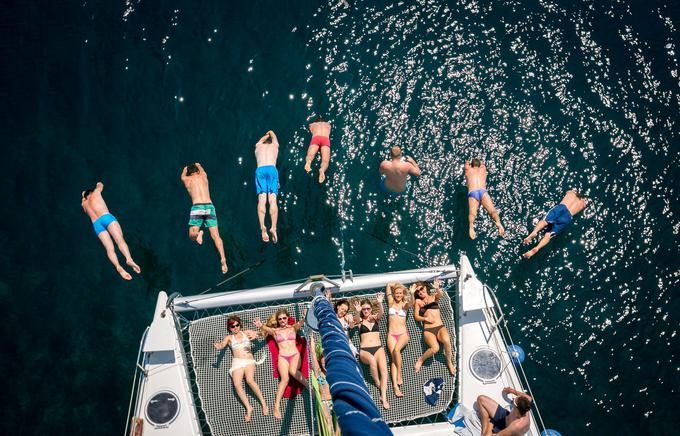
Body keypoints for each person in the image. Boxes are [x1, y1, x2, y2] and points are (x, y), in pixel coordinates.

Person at [254, 309, 308, 419]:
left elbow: (301, 323)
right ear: (278, 321)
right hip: (283, 356)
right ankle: (276, 405)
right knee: (284, 379)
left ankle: (310, 389)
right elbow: (264, 328)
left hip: (294, 355)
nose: (282, 320)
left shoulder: (293, 328)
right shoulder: (275, 331)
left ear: (288, 318)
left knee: (293, 371)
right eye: (280, 319)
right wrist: (260, 325)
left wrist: (304, 317)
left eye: (284, 318)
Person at [81, 182, 141, 280]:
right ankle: (129, 259)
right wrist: (98, 185)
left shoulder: (84, 204)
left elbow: (83, 196)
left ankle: (118, 266)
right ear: (91, 192)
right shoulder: (96, 192)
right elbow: (100, 185)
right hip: (105, 217)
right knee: (120, 241)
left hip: (97, 225)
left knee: (109, 249)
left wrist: (84, 195)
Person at [214, 316, 268, 422]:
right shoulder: (229, 338)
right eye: (232, 326)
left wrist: (260, 330)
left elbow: (265, 334)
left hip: (249, 361)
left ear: (240, 324)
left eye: (237, 325)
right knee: (237, 384)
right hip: (237, 362)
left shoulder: (246, 333)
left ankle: (263, 403)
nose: (235, 328)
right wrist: (220, 346)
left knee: (250, 380)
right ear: (229, 328)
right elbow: (223, 344)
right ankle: (248, 407)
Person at [181, 163, 228, 273]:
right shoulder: (203, 175)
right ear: (197, 171)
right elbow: (201, 168)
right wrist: (199, 165)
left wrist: (185, 169)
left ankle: (199, 233)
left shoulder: (187, 180)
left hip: (197, 207)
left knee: (192, 236)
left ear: (189, 173)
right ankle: (223, 259)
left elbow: (182, 174)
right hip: (209, 206)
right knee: (216, 236)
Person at [522, 190, 586, 258]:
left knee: (545, 222)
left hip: (561, 207)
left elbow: (568, 192)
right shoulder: (583, 204)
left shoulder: (571, 193)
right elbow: (583, 206)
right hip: (568, 216)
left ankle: (534, 232)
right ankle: (537, 248)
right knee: (549, 234)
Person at [352, 294, 390, 409]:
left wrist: (379, 303)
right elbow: (356, 319)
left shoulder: (375, 318)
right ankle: (378, 384)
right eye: (364, 309)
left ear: (371, 309)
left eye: (368, 308)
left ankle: (383, 397)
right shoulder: (360, 322)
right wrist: (358, 312)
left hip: (378, 348)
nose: (366, 311)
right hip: (365, 350)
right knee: (373, 362)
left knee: (384, 370)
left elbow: (381, 313)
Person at [412, 280, 456, 375]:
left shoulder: (433, 297)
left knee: (446, 340)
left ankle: (449, 362)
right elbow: (416, 316)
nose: (420, 292)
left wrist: (436, 288)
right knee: (435, 348)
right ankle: (421, 359)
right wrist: (425, 318)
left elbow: (440, 295)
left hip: (439, 327)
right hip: (428, 330)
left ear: (425, 288)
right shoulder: (418, 301)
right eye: (418, 291)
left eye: (421, 289)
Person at [465, 158, 505, 239]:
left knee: (472, 213)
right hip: (483, 191)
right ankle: (498, 222)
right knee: (492, 211)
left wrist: (468, 161)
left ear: (471, 165)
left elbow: (466, 163)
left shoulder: (468, 169)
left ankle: (471, 226)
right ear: (479, 165)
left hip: (473, 192)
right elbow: (482, 163)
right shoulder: (483, 169)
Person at [385, 282, 412, 397]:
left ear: (403, 294)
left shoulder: (405, 304)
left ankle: (399, 375)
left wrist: (409, 292)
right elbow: (388, 286)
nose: (398, 295)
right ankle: (395, 387)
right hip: (391, 334)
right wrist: (397, 284)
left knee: (396, 351)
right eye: (396, 293)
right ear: (394, 293)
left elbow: (412, 303)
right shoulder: (390, 302)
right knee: (393, 360)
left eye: (400, 293)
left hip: (402, 334)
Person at [309, 336, 339, 435]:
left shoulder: (334, 371)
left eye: (326, 363)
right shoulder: (318, 373)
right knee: (328, 421)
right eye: (322, 363)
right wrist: (311, 338)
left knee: (340, 422)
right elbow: (313, 354)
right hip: (324, 401)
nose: (324, 365)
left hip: (335, 400)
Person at [255, 131, 280, 243]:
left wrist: (266, 135)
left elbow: (261, 140)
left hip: (260, 170)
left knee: (262, 200)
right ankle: (273, 227)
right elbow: (274, 136)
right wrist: (271, 132)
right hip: (272, 169)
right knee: (272, 199)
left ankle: (262, 227)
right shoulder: (274, 146)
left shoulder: (258, 146)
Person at [304, 116, 332, 183]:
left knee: (310, 155)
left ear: (316, 121)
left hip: (316, 138)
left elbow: (311, 130)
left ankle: (308, 162)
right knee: (325, 160)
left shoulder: (312, 125)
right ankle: (322, 170)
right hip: (325, 139)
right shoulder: (328, 125)